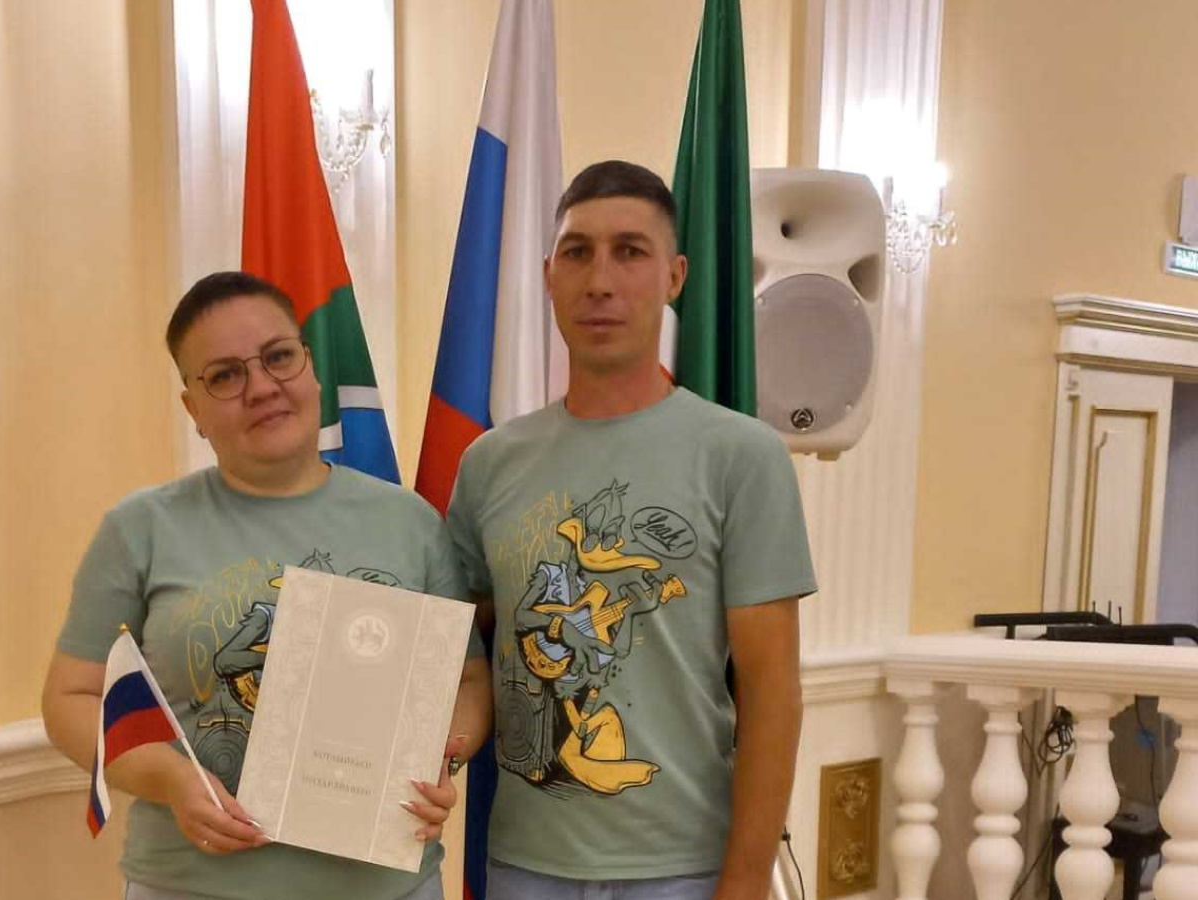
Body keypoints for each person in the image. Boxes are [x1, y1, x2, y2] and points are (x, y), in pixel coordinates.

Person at [42, 271, 491, 900]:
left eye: (278, 357)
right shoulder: (139, 529)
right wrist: (169, 779)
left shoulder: (410, 524)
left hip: (387, 887)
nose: (260, 388)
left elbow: (467, 681)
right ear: (194, 410)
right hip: (191, 887)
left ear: (311, 369)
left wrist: (441, 756)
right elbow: (71, 698)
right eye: (225, 375)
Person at [445, 160, 816, 900]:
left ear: (675, 276)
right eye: (578, 253)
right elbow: (450, 645)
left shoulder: (741, 456)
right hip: (524, 866)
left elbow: (772, 689)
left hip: (683, 870)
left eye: (630, 251)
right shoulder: (488, 464)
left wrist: (747, 878)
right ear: (549, 276)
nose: (601, 281)